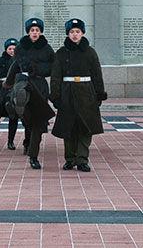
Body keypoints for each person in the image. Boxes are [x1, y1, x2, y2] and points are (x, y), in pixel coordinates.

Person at [50, 18, 107, 172]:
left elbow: (97, 74)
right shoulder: (61, 53)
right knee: (68, 126)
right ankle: (70, 158)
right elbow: (55, 76)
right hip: (67, 91)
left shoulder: (90, 52)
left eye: (77, 32)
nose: (75, 35)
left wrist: (99, 94)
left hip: (86, 92)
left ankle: (82, 159)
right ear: (68, 34)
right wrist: (55, 96)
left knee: (85, 127)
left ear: (82, 33)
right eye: (72, 32)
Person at [5, 17, 55, 169]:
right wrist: (8, 83)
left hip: (39, 85)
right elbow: (16, 65)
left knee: (36, 122)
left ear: (40, 32)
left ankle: (32, 152)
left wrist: (38, 70)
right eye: (32, 30)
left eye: (37, 30)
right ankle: (15, 104)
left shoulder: (46, 48)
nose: (34, 33)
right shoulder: (21, 48)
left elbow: (52, 67)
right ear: (28, 32)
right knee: (25, 112)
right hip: (24, 82)